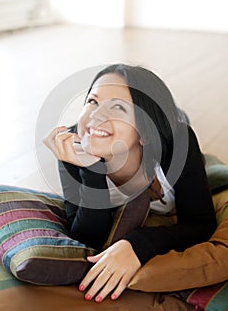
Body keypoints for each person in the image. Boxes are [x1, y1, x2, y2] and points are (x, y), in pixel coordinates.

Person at [44, 63, 217, 303]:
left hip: (163, 132)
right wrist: (92, 169)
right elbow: (87, 237)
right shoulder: (75, 148)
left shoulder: (178, 142)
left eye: (117, 107)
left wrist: (137, 245)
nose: (95, 115)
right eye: (93, 102)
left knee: (178, 117)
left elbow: (200, 224)